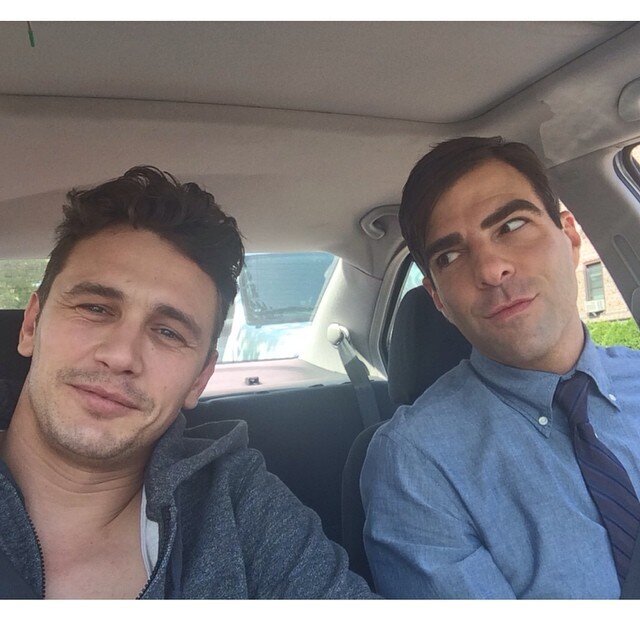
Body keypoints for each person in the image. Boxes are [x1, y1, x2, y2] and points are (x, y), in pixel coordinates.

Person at [0, 166, 375, 599]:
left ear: (200, 378)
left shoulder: (238, 507)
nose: (121, 356)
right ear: (31, 325)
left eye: (168, 332)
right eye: (95, 308)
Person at [361, 136, 640, 599]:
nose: (491, 270)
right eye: (450, 256)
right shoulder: (415, 461)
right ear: (438, 300)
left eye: (512, 225)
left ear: (570, 238)